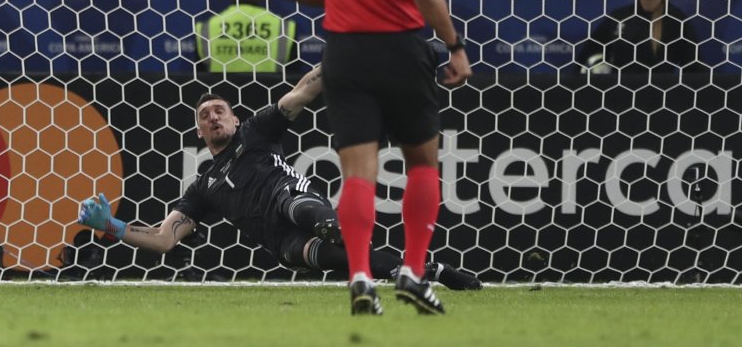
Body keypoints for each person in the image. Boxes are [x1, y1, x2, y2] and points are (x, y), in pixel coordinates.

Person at [281, 0, 472, 315]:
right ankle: (412, 269)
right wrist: (453, 44)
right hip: (401, 50)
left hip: (344, 52)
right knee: (422, 164)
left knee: (358, 174)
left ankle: (362, 275)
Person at [76, 68, 481, 291]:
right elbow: (165, 239)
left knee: (301, 206)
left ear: (234, 118)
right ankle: (431, 271)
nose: (213, 117)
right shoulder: (204, 187)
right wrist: (110, 226)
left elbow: (299, 94)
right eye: (205, 116)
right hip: (283, 244)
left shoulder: (257, 131)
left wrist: (351, 54)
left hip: (292, 199)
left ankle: (344, 229)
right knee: (352, 261)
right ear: (199, 132)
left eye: (220, 110)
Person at [196, 0, 296, 74]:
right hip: (271, 90)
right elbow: (294, 74)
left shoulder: (207, 27)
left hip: (219, 90)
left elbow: (200, 74)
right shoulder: (283, 27)